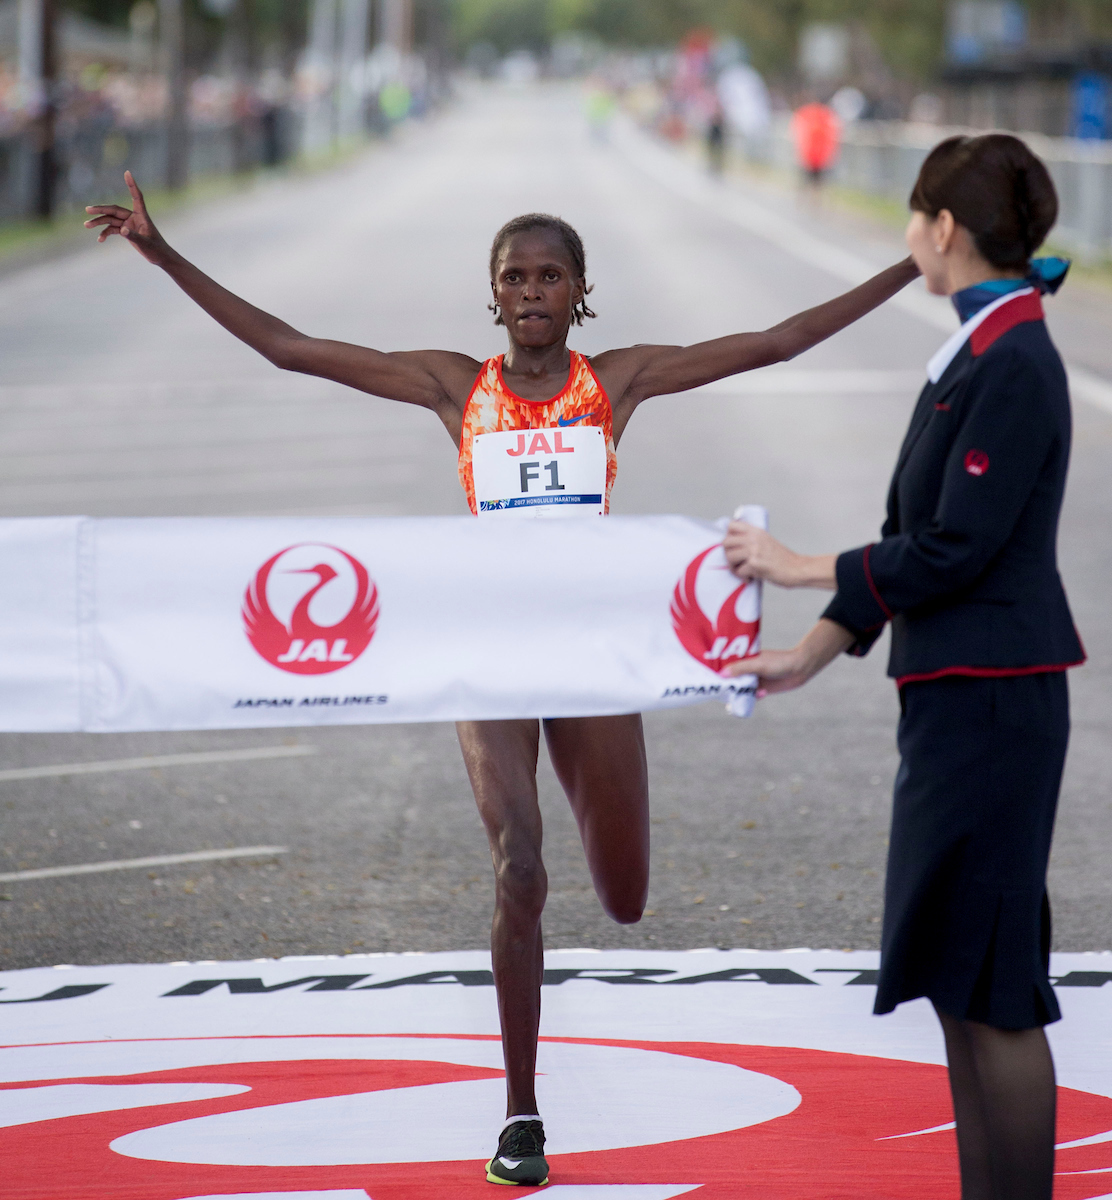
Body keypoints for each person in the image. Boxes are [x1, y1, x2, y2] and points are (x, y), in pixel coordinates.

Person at [84, 174, 917, 1186]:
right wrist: (163, 253)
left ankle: (553, 1012)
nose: (530, 290)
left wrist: (909, 265)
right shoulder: (453, 387)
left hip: (593, 654)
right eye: (512, 276)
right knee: (518, 868)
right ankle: (520, 1112)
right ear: (491, 295)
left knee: (623, 897)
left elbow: (776, 342)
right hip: (488, 651)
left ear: (579, 293)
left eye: (549, 275)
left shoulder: (612, 382)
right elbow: (290, 349)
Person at [723, 133, 1082, 1200]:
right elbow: (913, 534)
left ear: (940, 230)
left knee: (993, 986)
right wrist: (809, 653)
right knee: (956, 977)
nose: (907, 236)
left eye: (912, 218)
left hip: (993, 703)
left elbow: (952, 550)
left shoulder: (1012, 358)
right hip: (953, 697)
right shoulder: (982, 346)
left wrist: (798, 570)